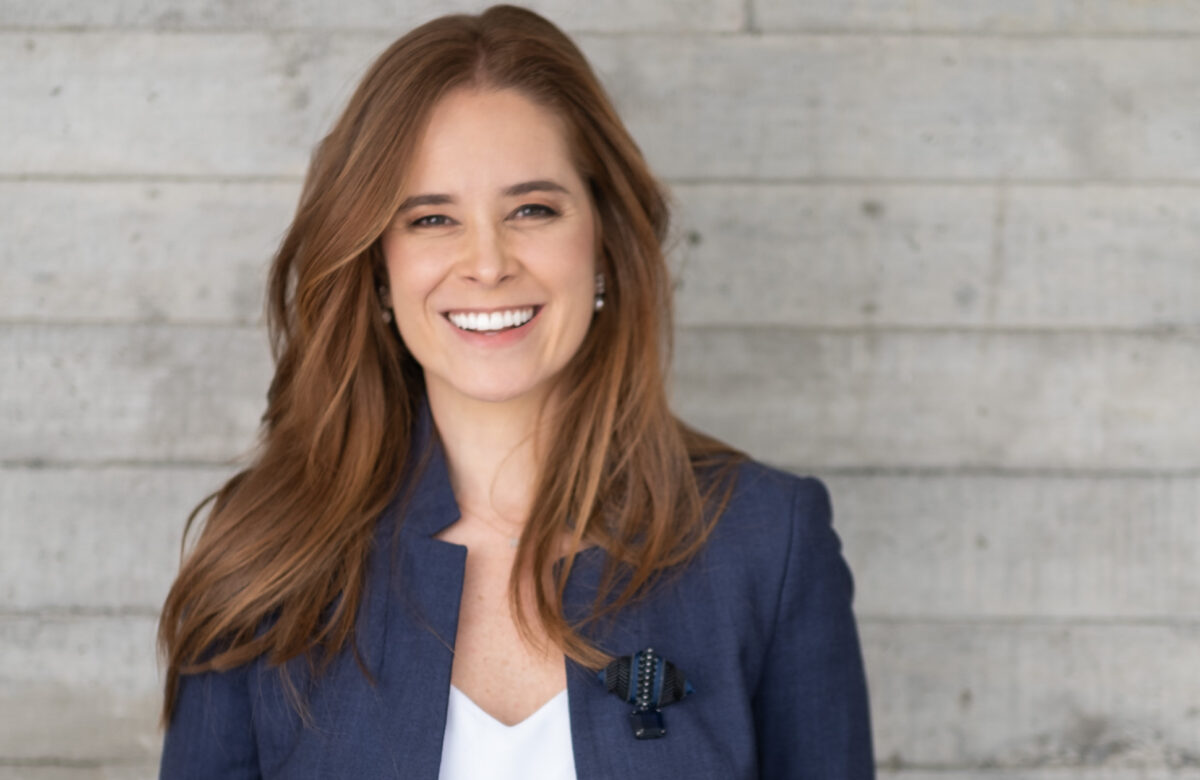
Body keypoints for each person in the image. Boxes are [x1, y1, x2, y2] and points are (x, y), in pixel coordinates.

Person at [156, 5, 875, 778]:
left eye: (532, 209)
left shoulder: (766, 540)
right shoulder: (269, 549)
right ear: (378, 270)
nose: (488, 263)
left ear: (604, 242)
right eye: (432, 218)